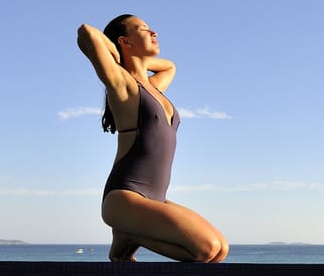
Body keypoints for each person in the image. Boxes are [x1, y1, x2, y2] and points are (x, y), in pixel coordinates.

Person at [77, 14, 228, 262]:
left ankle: (128, 236)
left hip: (155, 198)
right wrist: (117, 57)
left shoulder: (153, 87)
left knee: (221, 249)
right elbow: (86, 33)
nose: (154, 33)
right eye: (145, 29)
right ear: (125, 42)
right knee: (205, 249)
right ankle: (129, 234)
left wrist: (137, 59)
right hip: (125, 197)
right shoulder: (122, 84)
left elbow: (170, 66)